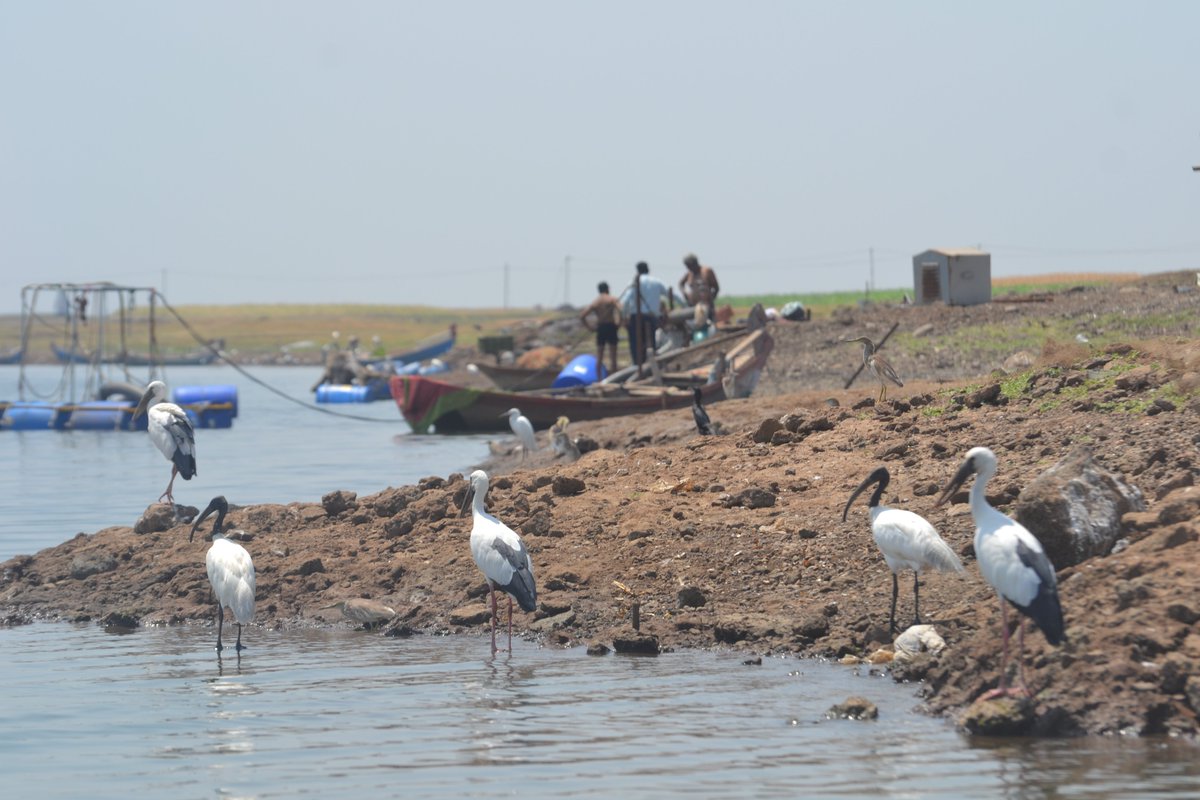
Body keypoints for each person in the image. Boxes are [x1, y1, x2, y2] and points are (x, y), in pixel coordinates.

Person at [618, 262, 678, 368]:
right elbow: (671, 295)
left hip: (636, 318)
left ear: (637, 271)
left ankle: (638, 367)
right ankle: (651, 367)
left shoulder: (634, 283)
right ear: (648, 269)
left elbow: (625, 301)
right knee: (651, 344)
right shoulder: (656, 282)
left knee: (636, 345)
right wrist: (685, 304)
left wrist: (623, 317)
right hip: (651, 318)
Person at [579, 281, 622, 375]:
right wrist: (619, 322)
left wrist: (590, 328)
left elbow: (582, 316)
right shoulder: (612, 299)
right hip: (611, 327)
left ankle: (599, 379)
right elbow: (621, 309)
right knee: (613, 356)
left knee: (599, 356)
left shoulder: (596, 302)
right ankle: (615, 378)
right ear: (607, 289)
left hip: (601, 328)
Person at [679, 253, 720, 323]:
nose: (689, 268)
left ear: (695, 263)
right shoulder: (689, 274)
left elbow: (716, 288)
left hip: (706, 306)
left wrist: (710, 300)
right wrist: (684, 293)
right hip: (693, 307)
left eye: (690, 266)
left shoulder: (707, 271)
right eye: (687, 266)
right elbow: (681, 284)